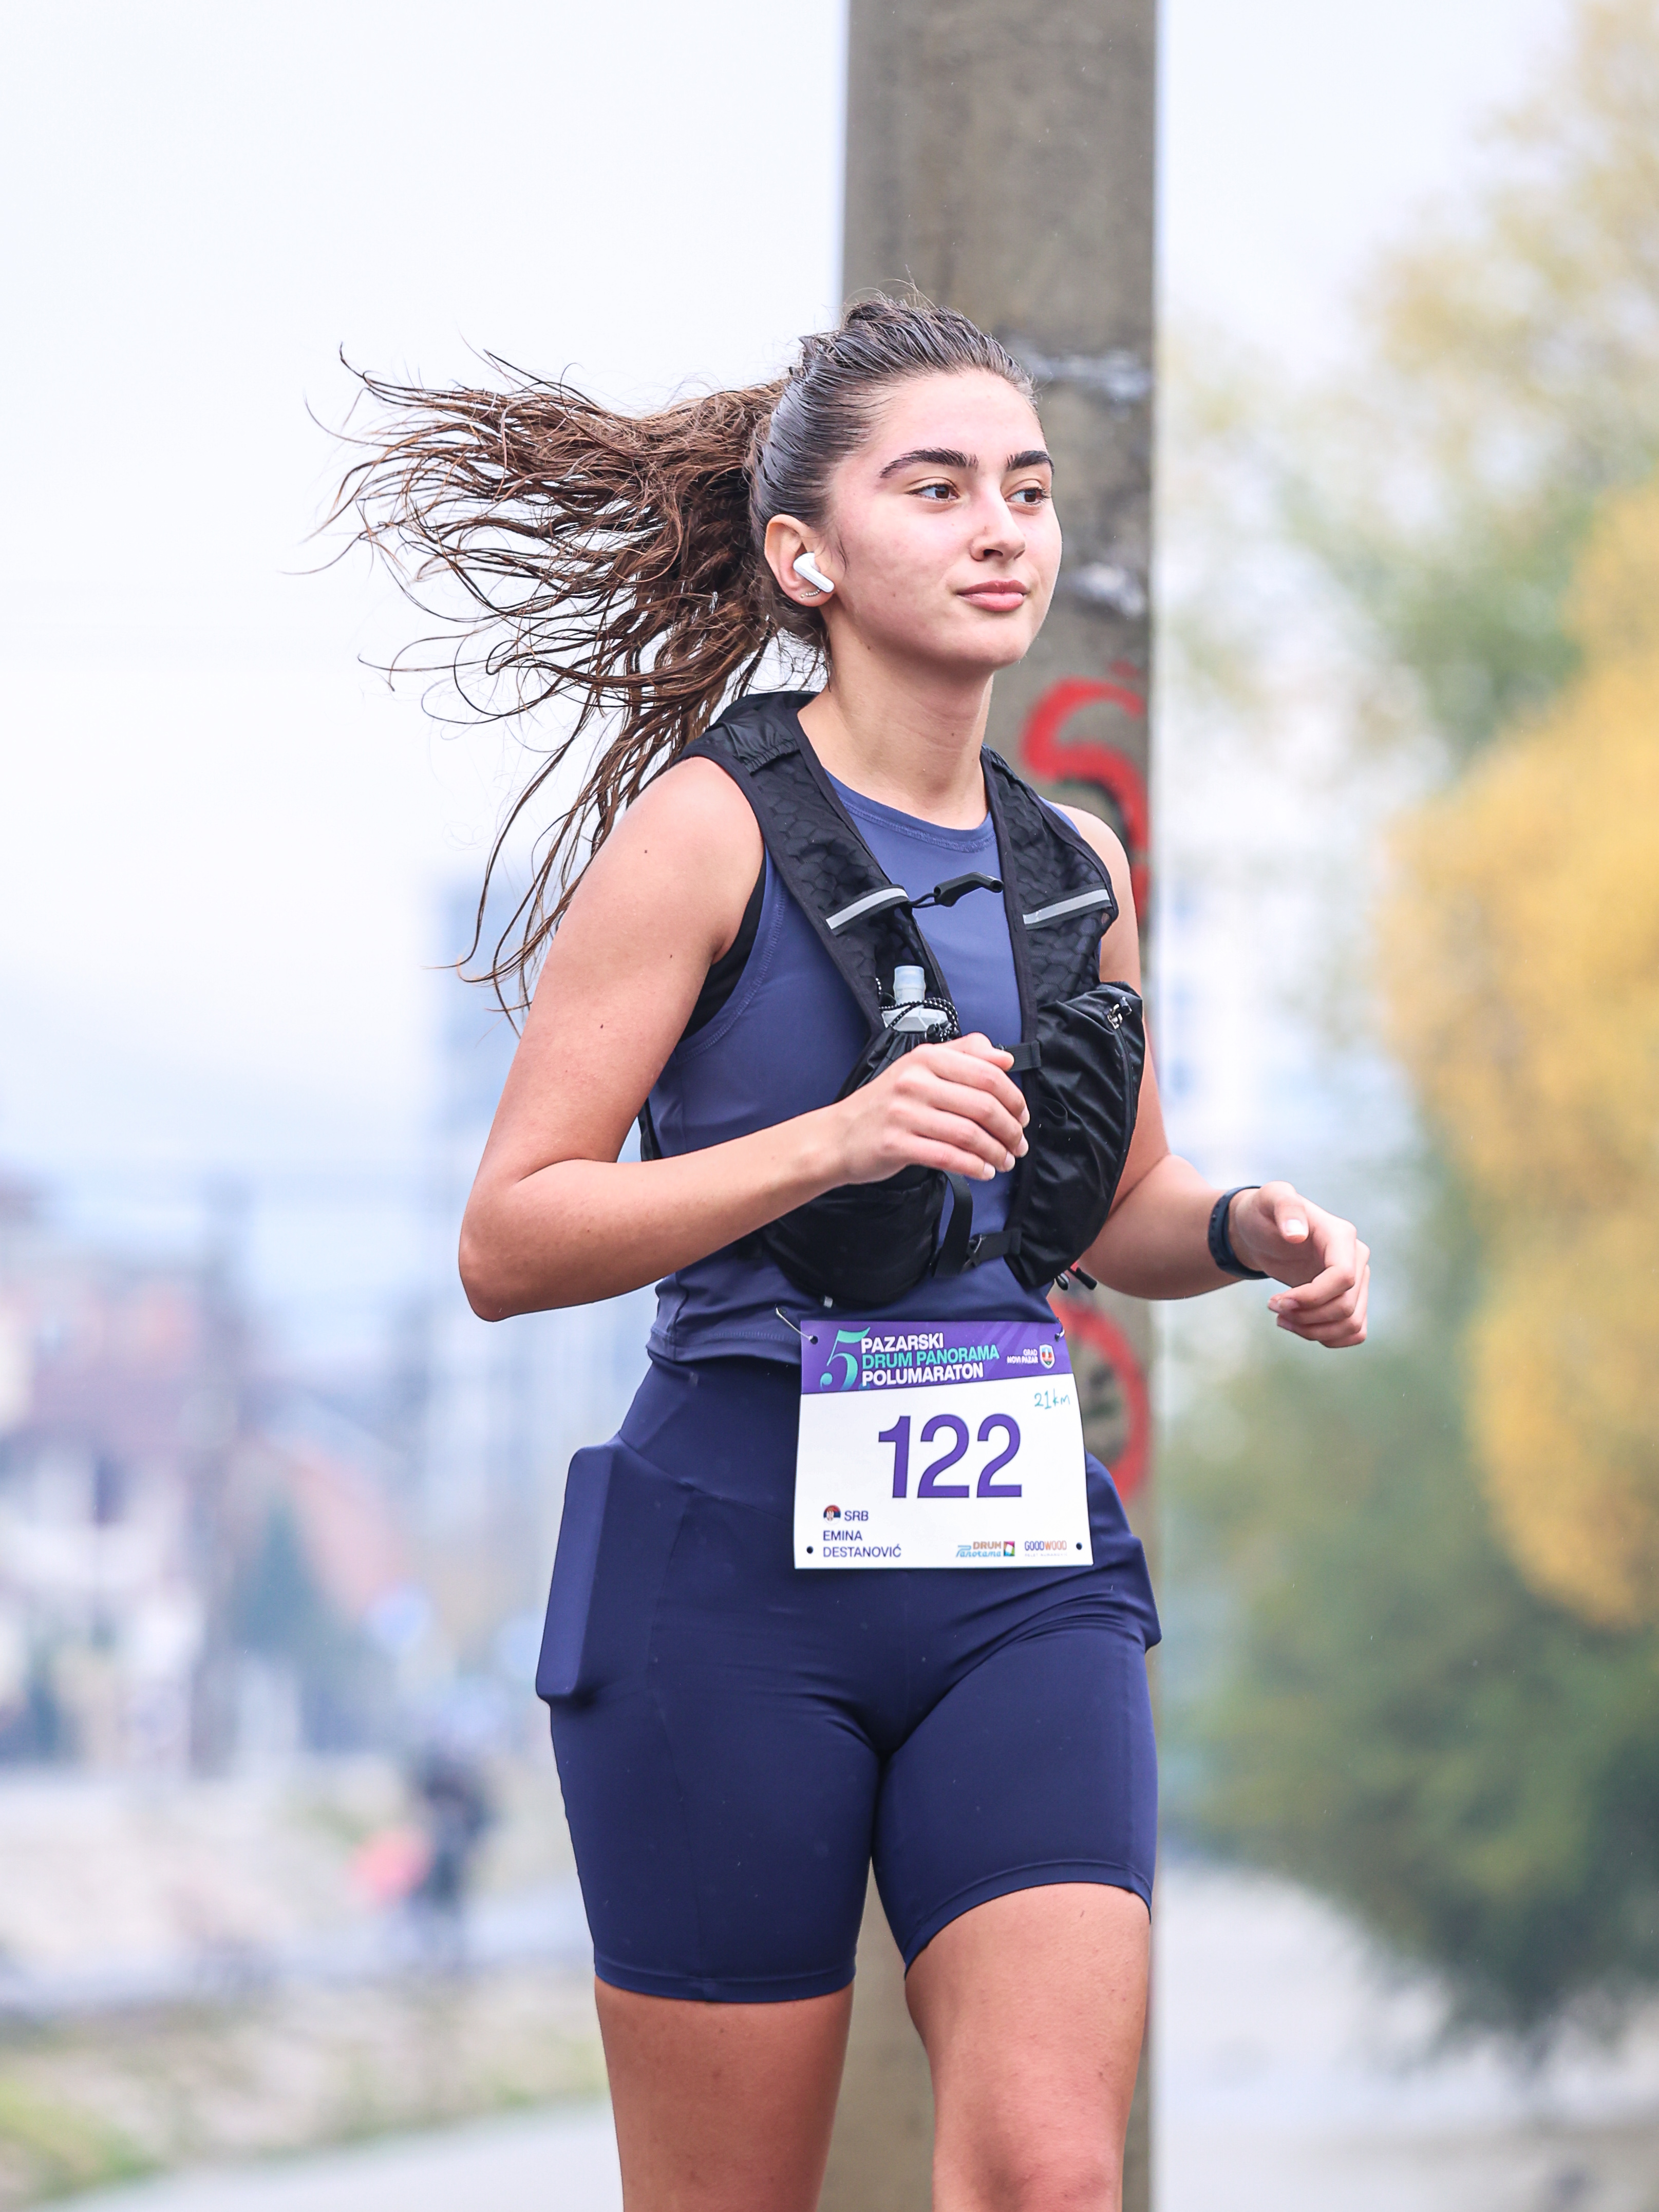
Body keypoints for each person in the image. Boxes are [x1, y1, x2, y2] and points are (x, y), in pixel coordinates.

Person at [346, 299, 1368, 2212]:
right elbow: (509, 1233)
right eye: (940, 489)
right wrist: (828, 1139)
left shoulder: (1078, 862)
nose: (1002, 531)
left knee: (1054, 2175)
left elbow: (1109, 1205)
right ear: (806, 555)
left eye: (1029, 492)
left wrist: (1249, 1230)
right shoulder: (705, 833)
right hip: (729, 1579)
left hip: (1016, 1577)